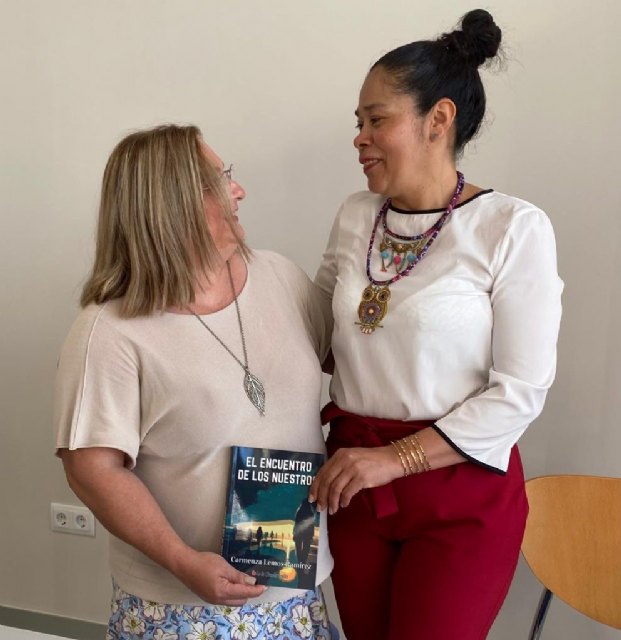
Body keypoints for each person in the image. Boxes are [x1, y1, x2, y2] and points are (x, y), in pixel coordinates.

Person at [309, 9, 563, 640]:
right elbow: (311, 334)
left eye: (376, 120)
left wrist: (394, 459)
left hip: (459, 491)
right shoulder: (354, 216)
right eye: (358, 123)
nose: (360, 138)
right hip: (354, 482)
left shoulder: (511, 227)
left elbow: (520, 392)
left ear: (438, 119)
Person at [54, 124, 337, 639]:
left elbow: (350, 362)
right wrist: (182, 560)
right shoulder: (108, 332)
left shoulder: (280, 278)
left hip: (294, 590)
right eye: (220, 180)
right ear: (171, 204)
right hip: (181, 609)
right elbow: (91, 471)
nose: (238, 190)